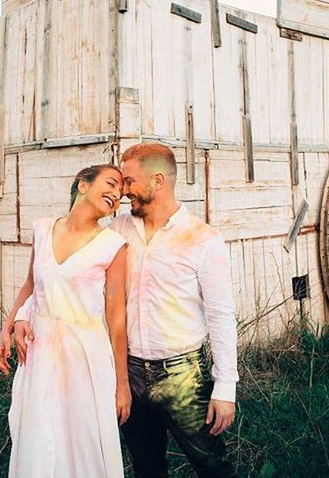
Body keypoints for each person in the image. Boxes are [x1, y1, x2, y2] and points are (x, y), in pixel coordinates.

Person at [0, 164, 131, 478]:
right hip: (40, 351)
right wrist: (11, 324)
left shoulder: (113, 246)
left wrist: (122, 384)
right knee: (40, 433)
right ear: (83, 184)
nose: (116, 195)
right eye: (110, 184)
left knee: (81, 440)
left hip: (86, 356)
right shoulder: (43, 229)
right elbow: (32, 284)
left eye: (121, 194)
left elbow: (117, 317)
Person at [112, 142, 239, 478]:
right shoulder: (118, 230)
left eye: (129, 182)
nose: (124, 192)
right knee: (147, 466)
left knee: (213, 466)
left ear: (157, 181)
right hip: (130, 372)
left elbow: (221, 315)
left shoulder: (203, 239)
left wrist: (225, 387)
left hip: (183, 374)